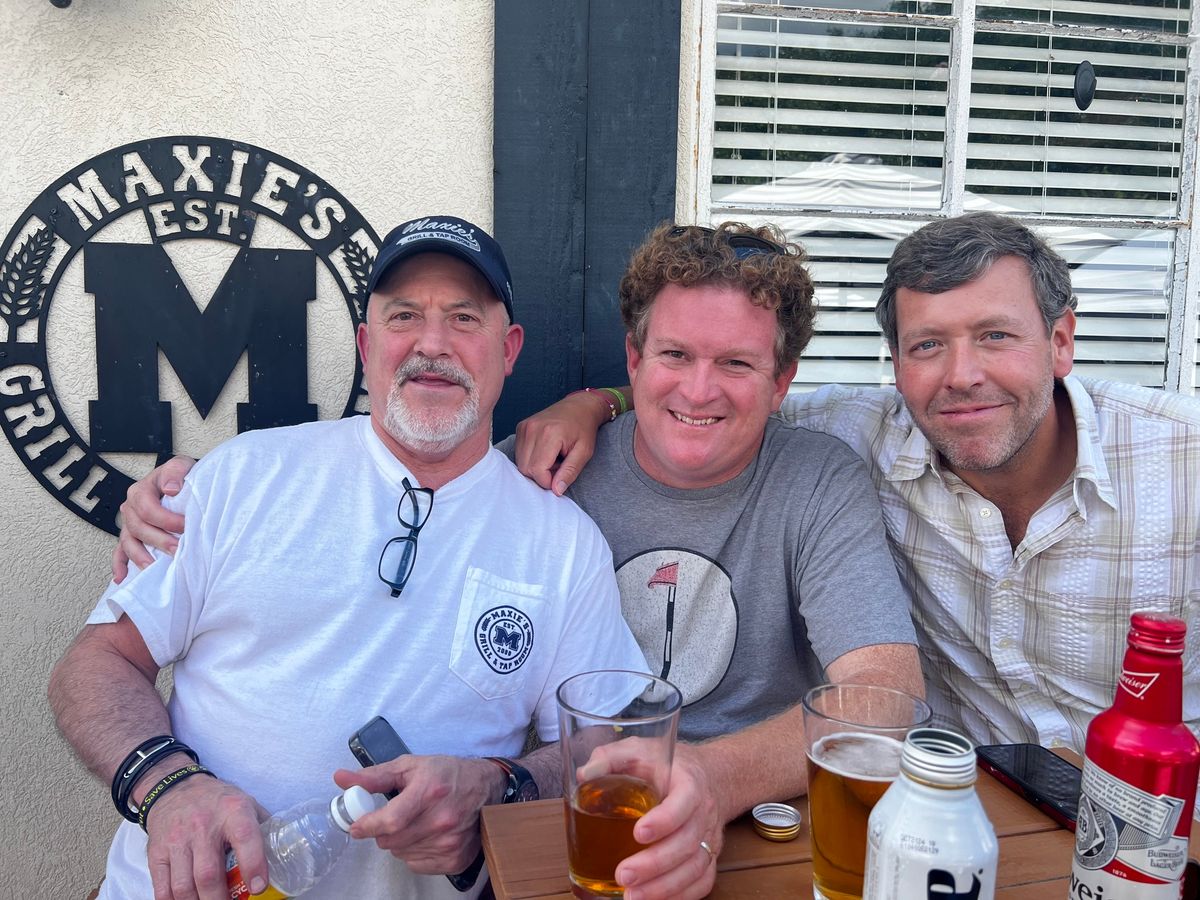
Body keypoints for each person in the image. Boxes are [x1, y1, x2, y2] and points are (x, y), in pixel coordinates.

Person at [114, 222, 923, 900]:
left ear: (781, 381)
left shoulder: (798, 482)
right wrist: (166, 783)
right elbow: (102, 657)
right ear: (633, 364)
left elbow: (886, 693)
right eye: (673, 355)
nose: (699, 389)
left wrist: (517, 787)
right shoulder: (537, 474)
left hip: (742, 827)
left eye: (738, 364)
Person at [49, 215, 647, 900]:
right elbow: (94, 664)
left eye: (463, 318)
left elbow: (600, 745)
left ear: (508, 349)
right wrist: (168, 787)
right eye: (403, 316)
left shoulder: (563, 544)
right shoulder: (241, 477)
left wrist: (498, 786)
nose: (431, 344)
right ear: (367, 344)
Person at [514, 211, 1200, 755]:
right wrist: (598, 402)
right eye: (928, 345)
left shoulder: (1183, 459)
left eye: (994, 336)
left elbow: (882, 699)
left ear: (1060, 342)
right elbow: (698, 408)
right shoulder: (860, 432)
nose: (961, 374)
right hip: (974, 814)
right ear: (897, 362)